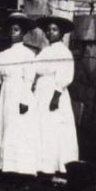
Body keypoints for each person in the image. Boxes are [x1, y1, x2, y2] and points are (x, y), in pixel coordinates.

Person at [0, 12, 39, 179]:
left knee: (18, 129)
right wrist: (4, 81)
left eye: (16, 30)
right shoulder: (2, 56)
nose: (13, 32)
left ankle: (20, 169)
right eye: (11, 30)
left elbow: (29, 79)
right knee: (6, 127)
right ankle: (6, 167)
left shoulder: (28, 55)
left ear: (23, 32)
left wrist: (24, 99)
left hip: (20, 93)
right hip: (6, 93)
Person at [34, 16, 79, 176]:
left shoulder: (63, 52)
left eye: (54, 30)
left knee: (53, 128)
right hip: (41, 91)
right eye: (48, 30)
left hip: (54, 92)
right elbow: (36, 69)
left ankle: (53, 166)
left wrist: (56, 96)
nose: (50, 32)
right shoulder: (45, 51)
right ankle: (41, 164)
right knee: (41, 127)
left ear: (61, 34)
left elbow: (65, 75)